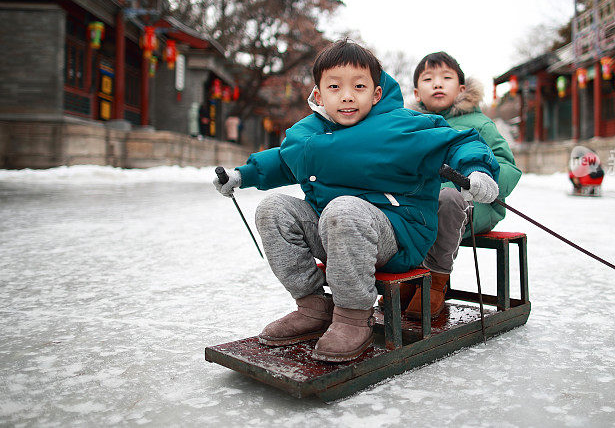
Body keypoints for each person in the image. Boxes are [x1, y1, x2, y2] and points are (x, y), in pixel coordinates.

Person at [213, 39, 500, 363]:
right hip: (335, 229)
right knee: (273, 210)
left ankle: (353, 317)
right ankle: (312, 306)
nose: (347, 95)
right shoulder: (308, 136)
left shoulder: (402, 126)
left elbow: (458, 142)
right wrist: (241, 175)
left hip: (397, 234)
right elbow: (282, 162)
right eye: (335, 87)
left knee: (343, 208)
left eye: (359, 86)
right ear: (319, 95)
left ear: (376, 93)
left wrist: (476, 170)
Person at [404, 51, 522, 320]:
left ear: (461, 88)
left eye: (446, 77)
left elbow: (507, 164)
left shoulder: (478, 123)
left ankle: (436, 281)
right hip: (425, 206)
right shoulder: (412, 128)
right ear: (416, 92)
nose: (437, 83)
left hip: (475, 206)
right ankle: (410, 278)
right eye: (428, 79)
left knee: (447, 200)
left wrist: (485, 184)